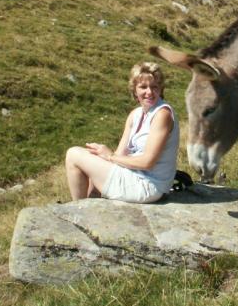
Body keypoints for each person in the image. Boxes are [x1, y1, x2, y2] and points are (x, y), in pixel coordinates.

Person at [65, 62, 179, 203]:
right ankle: (87, 204)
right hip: (135, 176)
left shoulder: (162, 115)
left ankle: (78, 209)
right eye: (143, 87)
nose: (149, 92)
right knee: (93, 156)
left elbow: (147, 162)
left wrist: (110, 156)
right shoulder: (135, 115)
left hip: (149, 185)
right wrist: (104, 157)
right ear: (134, 90)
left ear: (160, 89)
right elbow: (120, 155)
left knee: (73, 154)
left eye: (154, 87)